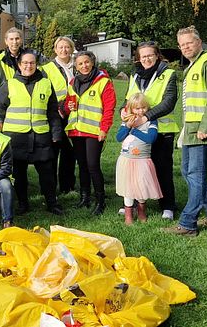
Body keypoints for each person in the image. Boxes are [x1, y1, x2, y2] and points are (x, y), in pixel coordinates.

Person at [164, 26, 207, 237]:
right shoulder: (193, 64)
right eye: (182, 45)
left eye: (189, 43)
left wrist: (205, 126)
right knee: (189, 173)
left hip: (204, 129)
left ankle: (188, 223)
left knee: (195, 174)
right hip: (193, 129)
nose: (185, 47)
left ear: (199, 42)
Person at [0, 50, 64, 215]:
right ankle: (22, 204)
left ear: (36, 64)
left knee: (47, 174)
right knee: (19, 175)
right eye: (25, 63)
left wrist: (56, 134)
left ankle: (51, 203)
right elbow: (1, 110)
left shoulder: (46, 84)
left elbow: (53, 113)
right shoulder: (9, 84)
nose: (29, 66)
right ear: (19, 65)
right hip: (15, 137)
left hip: (41, 137)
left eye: (32, 63)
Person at [121, 42, 179, 220]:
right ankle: (132, 204)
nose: (146, 59)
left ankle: (167, 206)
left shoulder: (168, 74)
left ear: (157, 56)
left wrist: (146, 118)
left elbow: (168, 102)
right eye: (142, 56)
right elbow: (128, 100)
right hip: (136, 132)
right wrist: (123, 111)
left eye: (150, 55)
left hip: (161, 130)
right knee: (135, 169)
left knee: (162, 169)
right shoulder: (135, 75)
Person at [60, 51, 116, 216]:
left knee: (93, 166)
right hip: (77, 131)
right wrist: (67, 106)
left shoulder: (103, 81)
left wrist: (104, 129)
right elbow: (68, 103)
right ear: (76, 67)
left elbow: (109, 107)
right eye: (80, 64)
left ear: (92, 62)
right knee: (82, 165)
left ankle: (101, 201)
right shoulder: (73, 82)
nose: (84, 66)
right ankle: (85, 197)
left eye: (86, 62)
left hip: (94, 131)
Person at [115, 93, 163, 224]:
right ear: (131, 109)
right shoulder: (127, 120)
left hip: (142, 160)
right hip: (126, 159)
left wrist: (134, 130)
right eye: (137, 108)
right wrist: (128, 126)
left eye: (143, 108)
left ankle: (142, 211)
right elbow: (119, 138)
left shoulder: (151, 121)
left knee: (142, 186)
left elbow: (151, 138)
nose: (140, 111)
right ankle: (128, 215)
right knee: (128, 187)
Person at [41, 36, 77, 194]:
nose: (64, 50)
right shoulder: (47, 69)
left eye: (67, 47)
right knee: (53, 151)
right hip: (55, 115)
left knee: (70, 152)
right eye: (60, 47)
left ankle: (67, 186)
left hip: (75, 114)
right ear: (55, 49)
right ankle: (50, 187)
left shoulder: (78, 66)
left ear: (72, 48)